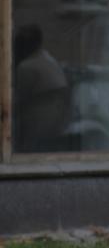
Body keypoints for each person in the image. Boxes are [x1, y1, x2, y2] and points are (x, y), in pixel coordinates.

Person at [13, 24, 70, 153]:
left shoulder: (26, 66)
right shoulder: (47, 58)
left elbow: (19, 98)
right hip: (58, 119)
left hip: (41, 122)